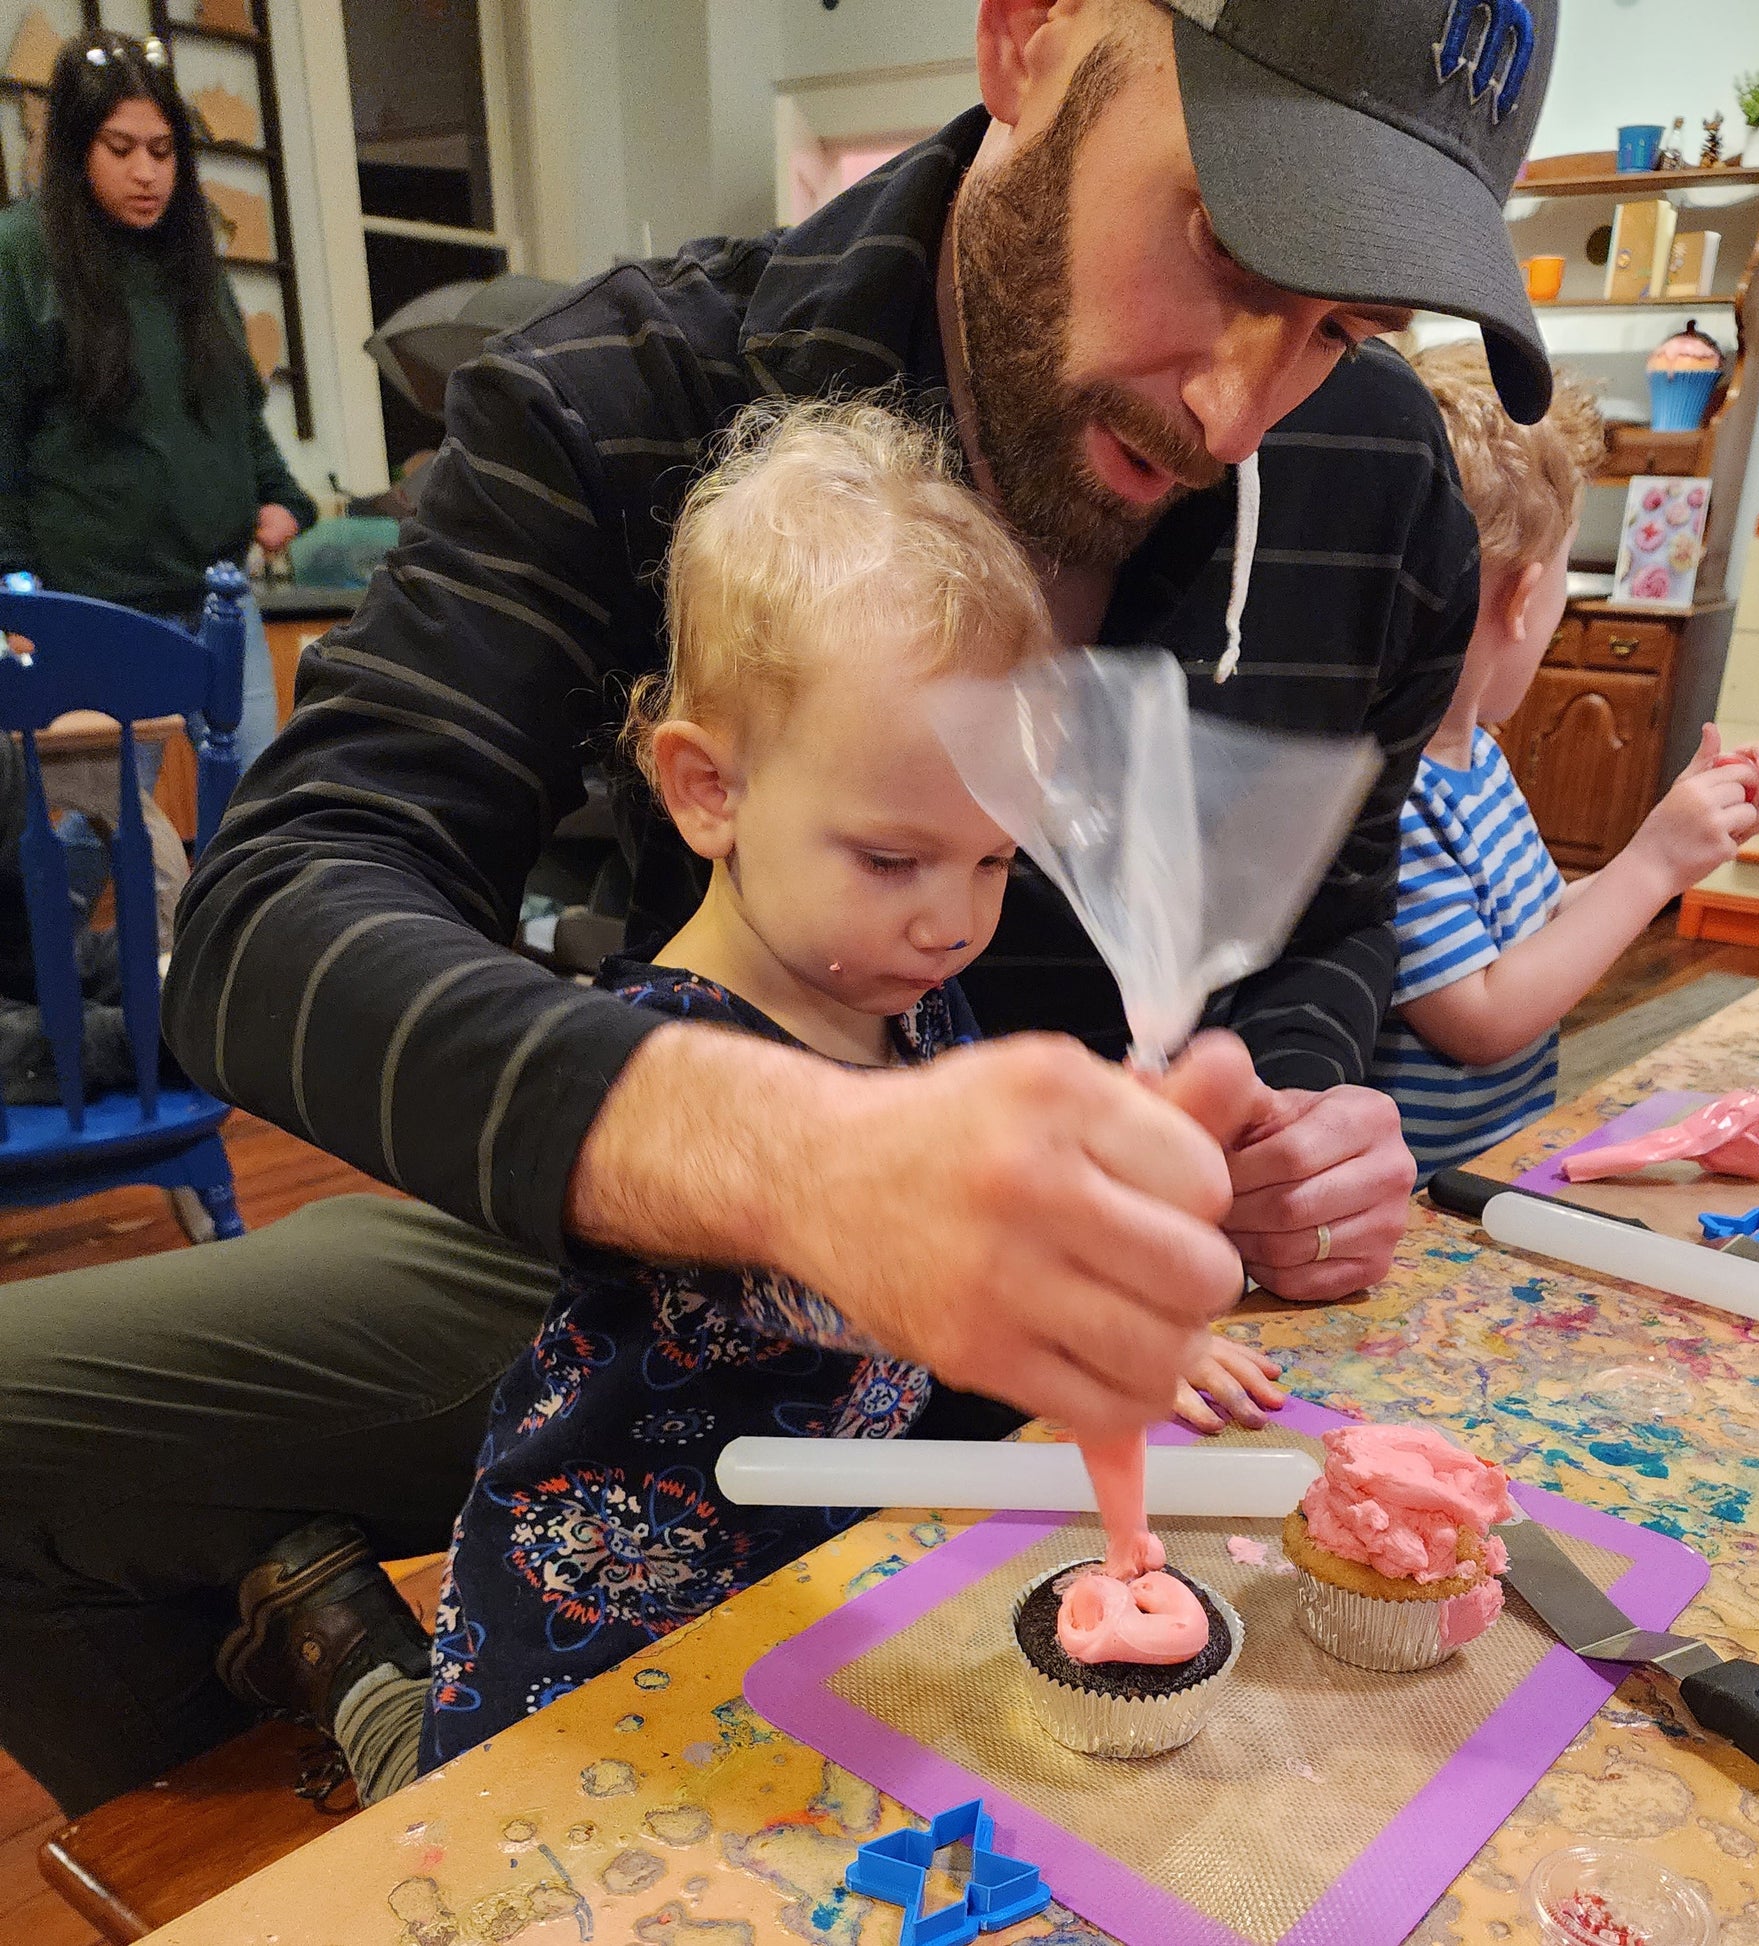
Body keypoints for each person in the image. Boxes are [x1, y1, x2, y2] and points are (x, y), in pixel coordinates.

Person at [0, 0, 1562, 1817]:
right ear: (1028, 38)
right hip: (690, 1258)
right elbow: (273, 908)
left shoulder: (1381, 499)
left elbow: (1335, 930)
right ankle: (361, 1811)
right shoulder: (626, 395)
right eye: (1222, 241)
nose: (1235, 404)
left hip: (1141, 1346)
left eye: (1343, 327)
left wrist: (1291, 1117)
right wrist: (804, 1161)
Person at [397, 397, 1285, 1786]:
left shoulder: (907, 999)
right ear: (707, 789)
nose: (952, 921)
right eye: (892, 860)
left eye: (993, 863)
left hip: (812, 1603)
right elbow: (867, 1278)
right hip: (593, 1660)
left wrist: (1128, 1306)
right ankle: (364, 1699)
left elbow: (981, 1246)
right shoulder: (659, 1054)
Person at [1371, 343, 1759, 1183]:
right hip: (1414, 1198)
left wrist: (1677, 846)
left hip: (1488, 1162)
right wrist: (1650, 865)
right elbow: (1480, 1018)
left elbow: (1531, 926)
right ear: (1525, 600)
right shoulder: (1395, 792)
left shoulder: (1476, 758)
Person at [0, 29, 315, 794]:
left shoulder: (190, 256)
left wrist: (281, 494)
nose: (147, 172)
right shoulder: (21, 252)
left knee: (258, 821)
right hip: (96, 612)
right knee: (92, 837)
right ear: (77, 148)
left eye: (164, 150)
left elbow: (234, 404)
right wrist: (14, 586)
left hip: (217, 600)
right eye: (120, 148)